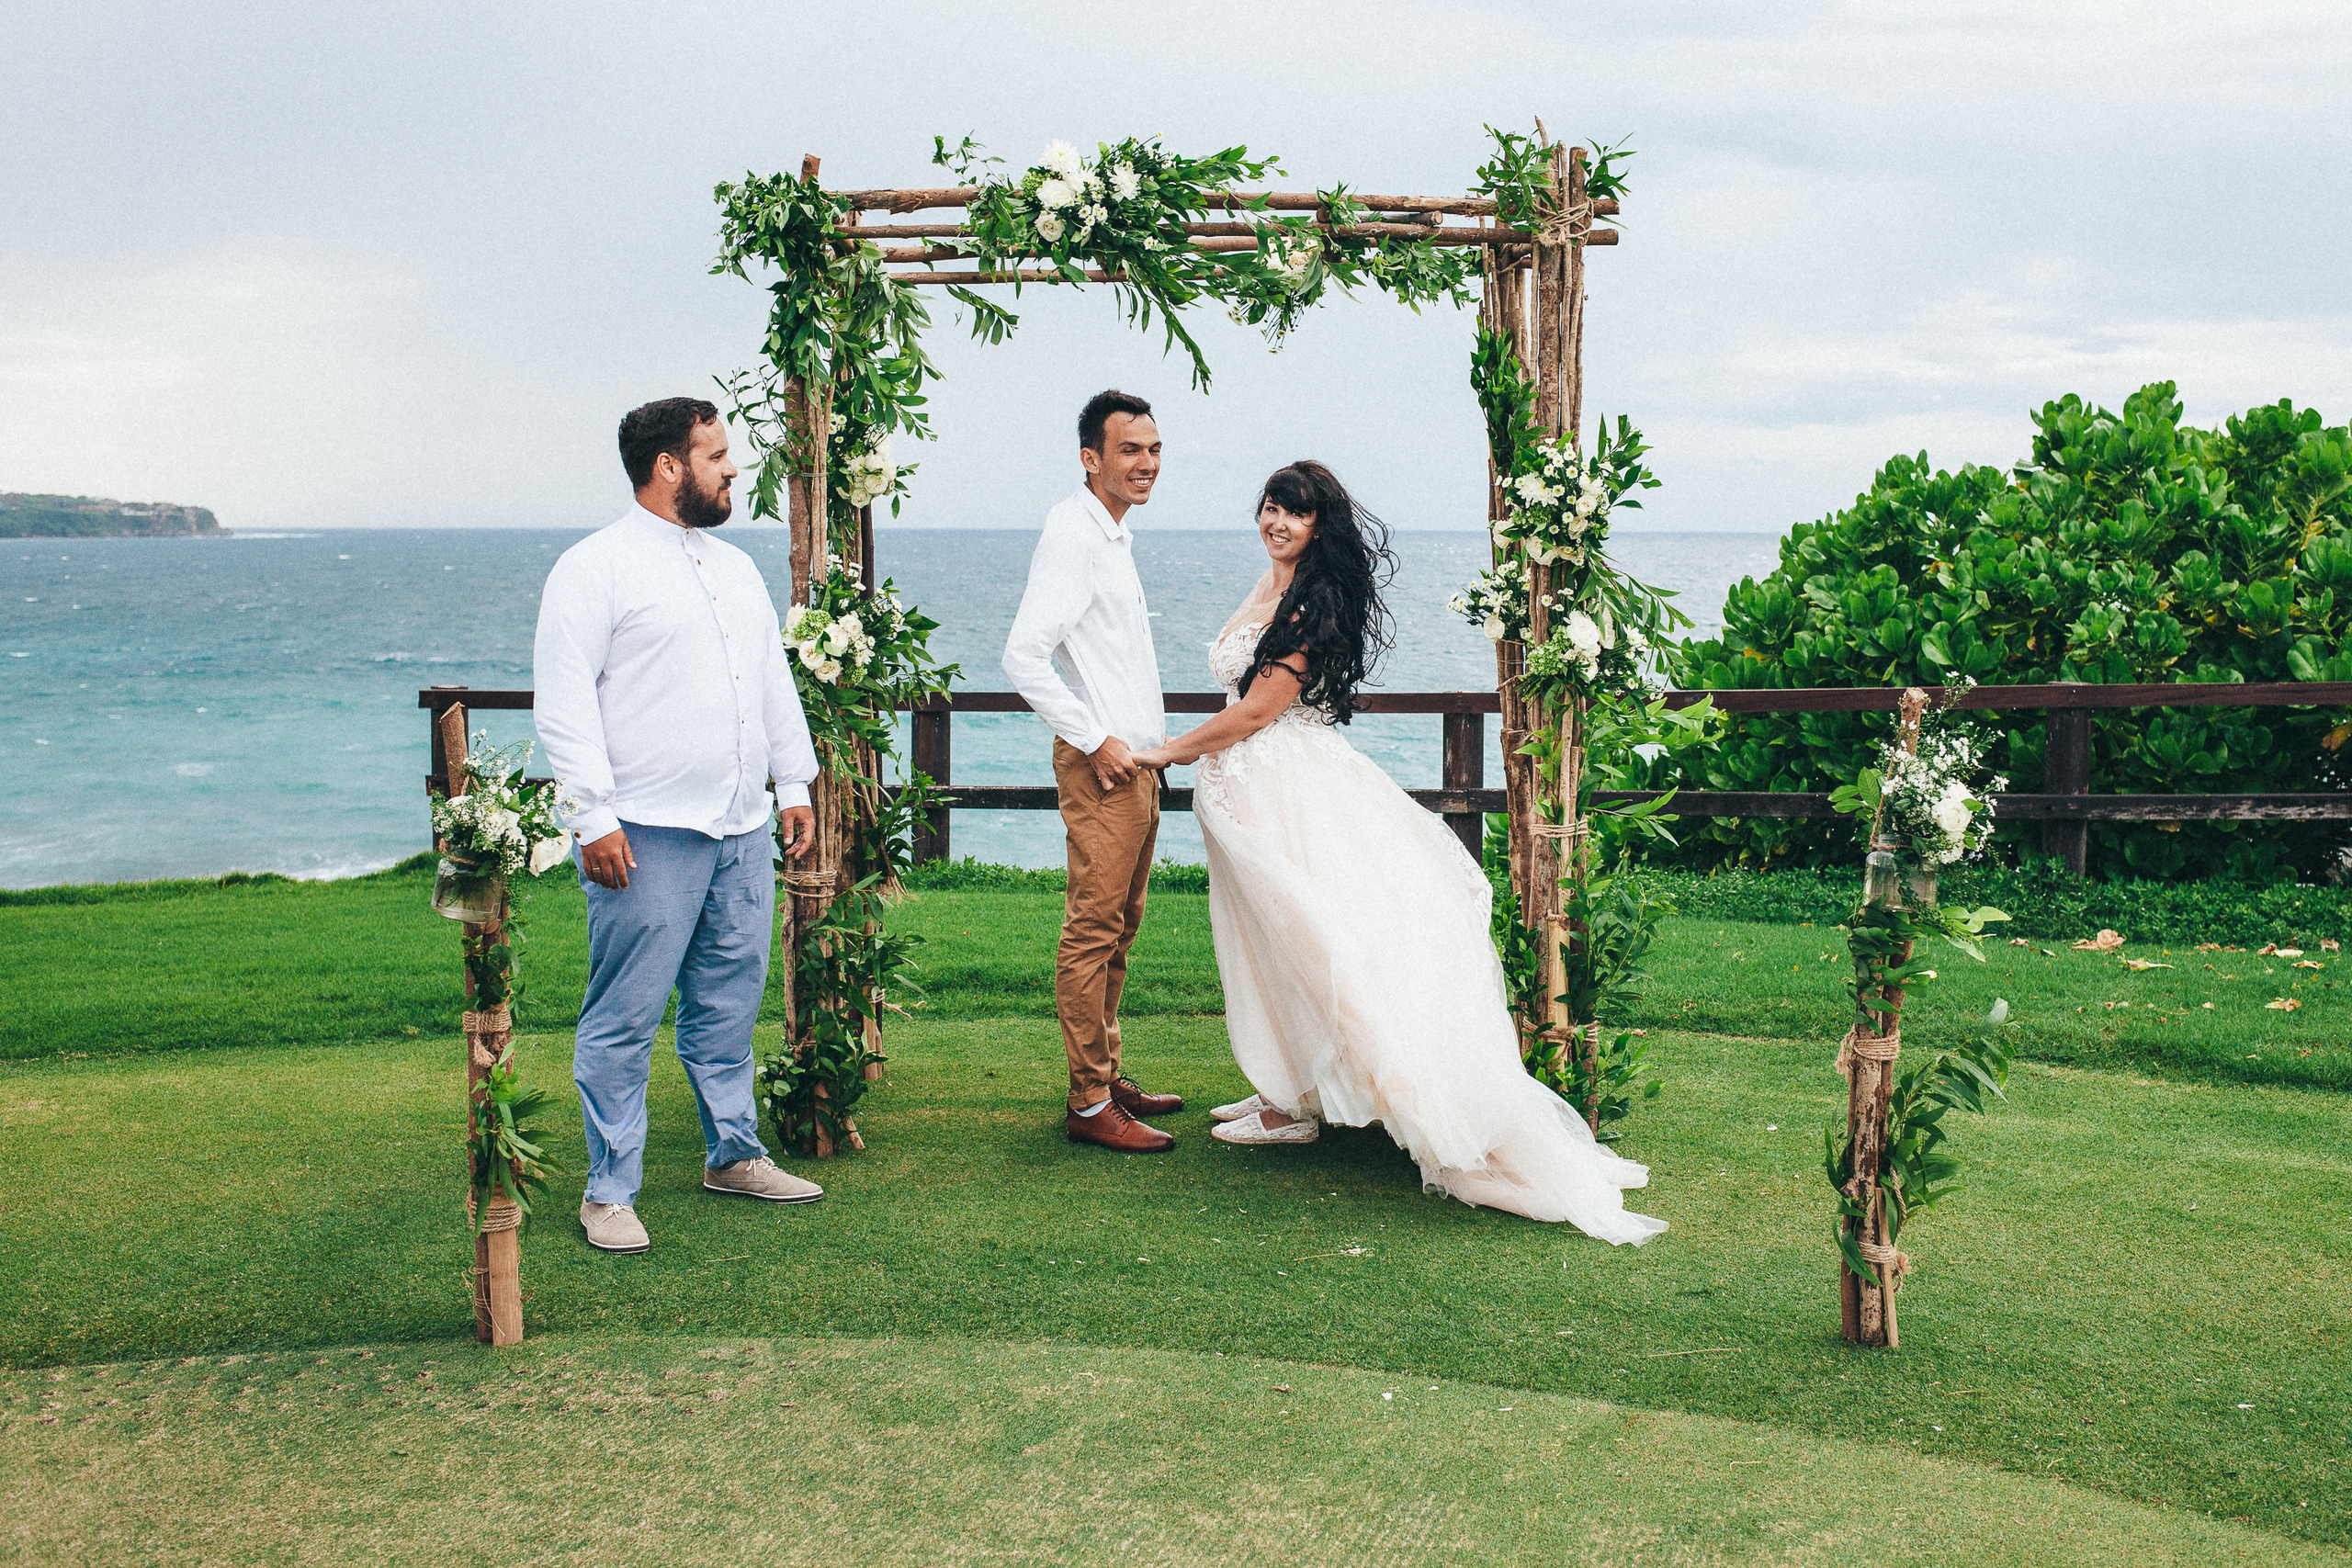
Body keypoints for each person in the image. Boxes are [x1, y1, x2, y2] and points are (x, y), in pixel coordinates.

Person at [1130, 461, 1667, 1243]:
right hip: (1248, 792)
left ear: (1320, 526)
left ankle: (1303, 1106)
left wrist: (1167, 750)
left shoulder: (1311, 602)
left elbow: (1255, 712)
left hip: (1286, 792)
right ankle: (1287, 1091)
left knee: (1314, 939)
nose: (1277, 521)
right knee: (1263, 943)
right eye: (1271, 507)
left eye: (1295, 512)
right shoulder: (1271, 582)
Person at [532, 397, 826, 1256]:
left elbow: (770, 681)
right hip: (643, 833)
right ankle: (609, 1189)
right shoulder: (592, 568)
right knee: (624, 1015)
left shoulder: (736, 568)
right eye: (716, 455)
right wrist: (592, 817)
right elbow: (565, 701)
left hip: (741, 827)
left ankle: (733, 1154)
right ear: (669, 466)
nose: (732, 468)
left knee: (728, 1003)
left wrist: (795, 782)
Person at [1001, 389, 1186, 1153]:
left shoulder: (1111, 535)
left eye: (1154, 449)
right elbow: (1022, 657)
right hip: (1103, 769)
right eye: (1129, 450)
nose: (1146, 463)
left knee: (1121, 929)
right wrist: (1097, 738)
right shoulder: (1073, 535)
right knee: (1092, 932)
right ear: (1091, 458)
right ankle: (1089, 1103)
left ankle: (1104, 1076)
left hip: (1136, 765)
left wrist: (1140, 741)